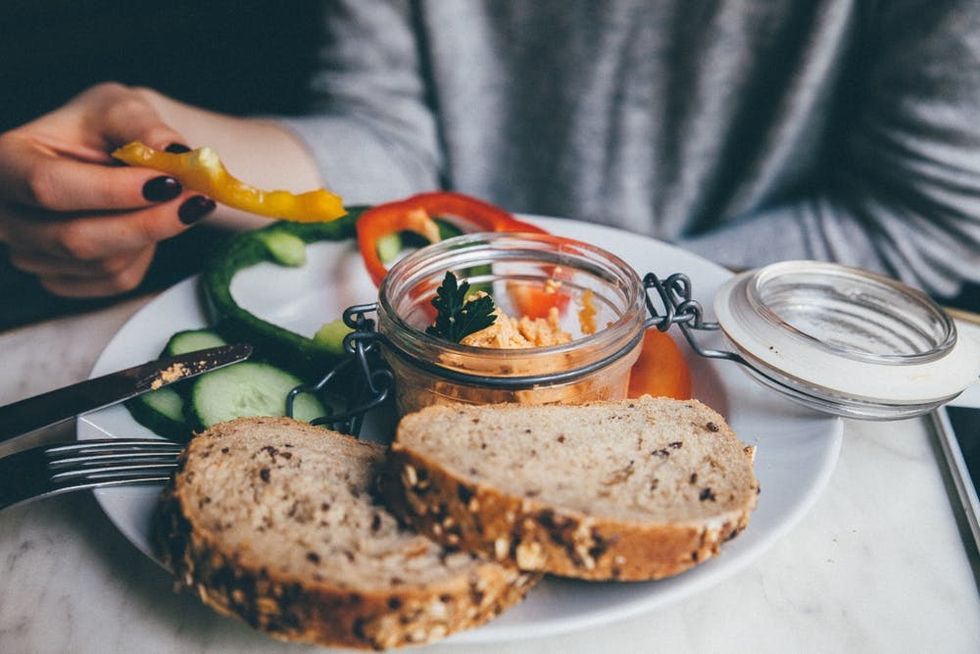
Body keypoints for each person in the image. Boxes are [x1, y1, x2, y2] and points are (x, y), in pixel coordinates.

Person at [1, 0, 978, 300]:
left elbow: (920, 217)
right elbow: (390, 142)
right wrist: (167, 142)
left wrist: (586, 293)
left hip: (775, 370)